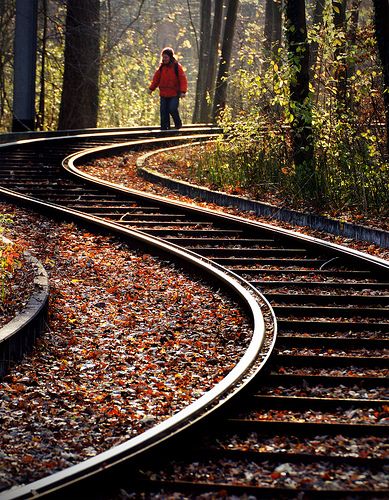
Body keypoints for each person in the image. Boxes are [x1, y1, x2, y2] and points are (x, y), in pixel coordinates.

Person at [148, 47, 188, 130]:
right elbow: (156, 79)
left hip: (174, 93)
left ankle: (178, 123)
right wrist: (151, 88)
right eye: (163, 57)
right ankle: (164, 128)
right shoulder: (161, 68)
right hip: (163, 94)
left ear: (170, 57)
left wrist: (183, 91)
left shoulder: (177, 67)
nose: (164, 59)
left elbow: (183, 79)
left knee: (172, 109)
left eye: (166, 57)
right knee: (163, 111)